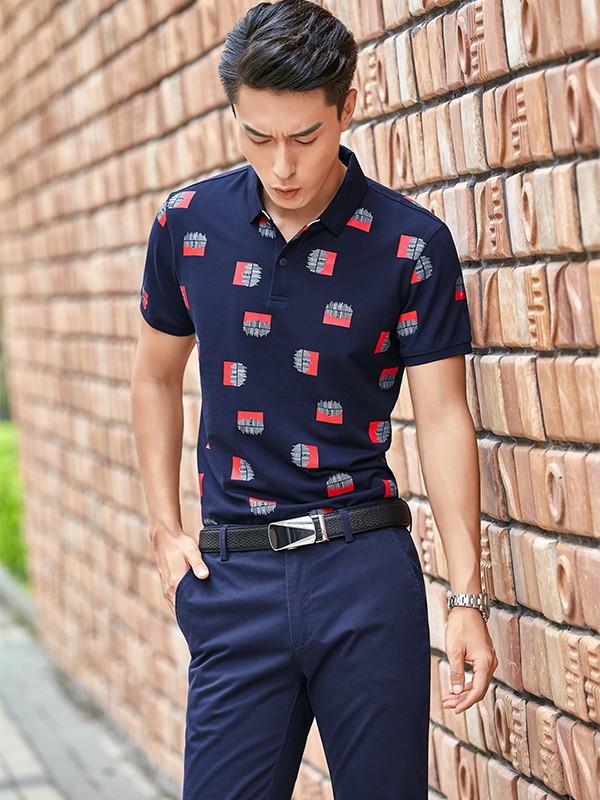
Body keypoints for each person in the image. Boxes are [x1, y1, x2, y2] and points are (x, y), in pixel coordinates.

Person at [130, 1, 498, 797]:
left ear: (347, 108)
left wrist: (466, 596)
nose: (282, 166)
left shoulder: (411, 245)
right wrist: (163, 528)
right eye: (257, 137)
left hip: (363, 573)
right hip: (234, 578)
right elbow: (155, 376)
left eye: (304, 137)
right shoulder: (188, 226)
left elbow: (443, 416)